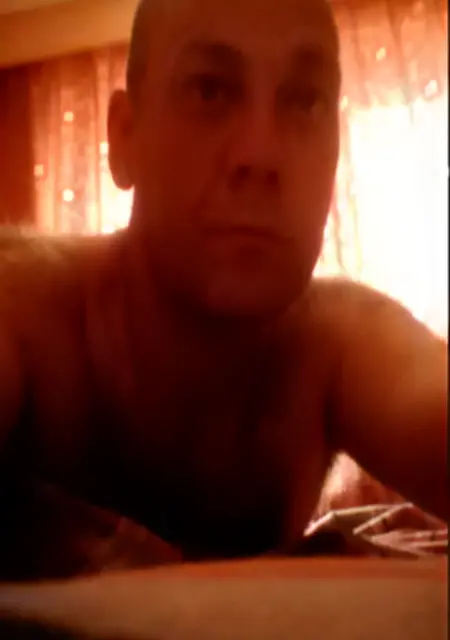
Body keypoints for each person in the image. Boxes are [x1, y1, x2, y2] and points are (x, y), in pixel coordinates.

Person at [0, 0, 447, 569]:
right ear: (126, 138)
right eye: (209, 91)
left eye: (305, 101)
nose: (261, 154)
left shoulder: (336, 346)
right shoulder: (27, 308)